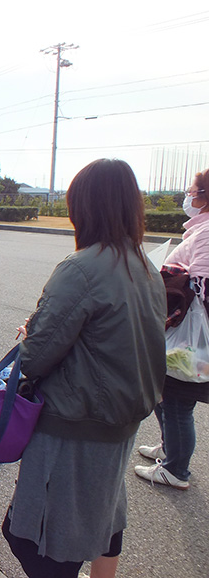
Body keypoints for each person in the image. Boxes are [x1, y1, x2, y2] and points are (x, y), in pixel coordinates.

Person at [5, 159, 166, 578]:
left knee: (37, 541)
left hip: (73, 428)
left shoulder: (80, 269)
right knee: (102, 515)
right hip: (120, 426)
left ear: (85, 208)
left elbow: (36, 357)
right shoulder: (146, 267)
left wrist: (31, 332)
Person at [135, 168, 209, 489]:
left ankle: (176, 469)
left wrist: (165, 274)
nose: (187, 197)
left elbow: (203, 286)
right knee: (165, 393)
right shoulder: (200, 228)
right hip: (179, 331)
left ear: (204, 196)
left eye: (191, 191)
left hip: (189, 337)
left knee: (177, 402)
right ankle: (169, 450)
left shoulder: (207, 232)